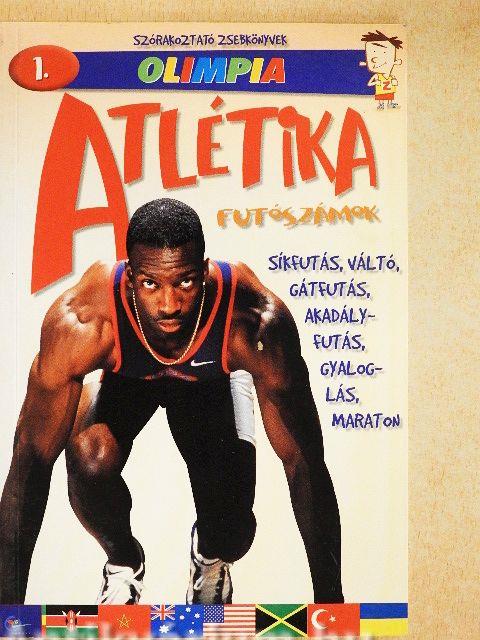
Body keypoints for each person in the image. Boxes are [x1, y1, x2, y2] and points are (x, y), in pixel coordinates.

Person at [0, 198, 343, 605]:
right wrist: (6, 609)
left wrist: (331, 606)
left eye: (185, 282)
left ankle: (210, 557)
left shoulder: (254, 324)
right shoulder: (83, 321)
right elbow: (29, 465)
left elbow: (305, 462)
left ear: (204, 272)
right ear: (130, 277)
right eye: (151, 284)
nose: (169, 304)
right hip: (128, 380)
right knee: (90, 461)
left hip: (210, 382)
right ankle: (124, 562)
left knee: (232, 533)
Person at [360, 30, 403, 109]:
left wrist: (394, 82)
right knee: (381, 98)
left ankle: (390, 104)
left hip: (389, 92)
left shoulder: (392, 76)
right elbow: (369, 84)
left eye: (384, 53)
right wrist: (376, 82)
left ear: (396, 61)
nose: (374, 59)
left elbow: (395, 83)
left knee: (390, 97)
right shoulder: (377, 76)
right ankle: (381, 104)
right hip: (380, 92)